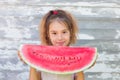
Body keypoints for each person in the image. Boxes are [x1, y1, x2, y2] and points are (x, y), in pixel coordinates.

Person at [19, 9, 85, 80]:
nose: (60, 38)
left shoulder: (75, 56)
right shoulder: (41, 54)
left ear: (71, 32)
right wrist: (31, 61)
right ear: (48, 34)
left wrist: (81, 65)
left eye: (64, 32)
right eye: (54, 33)